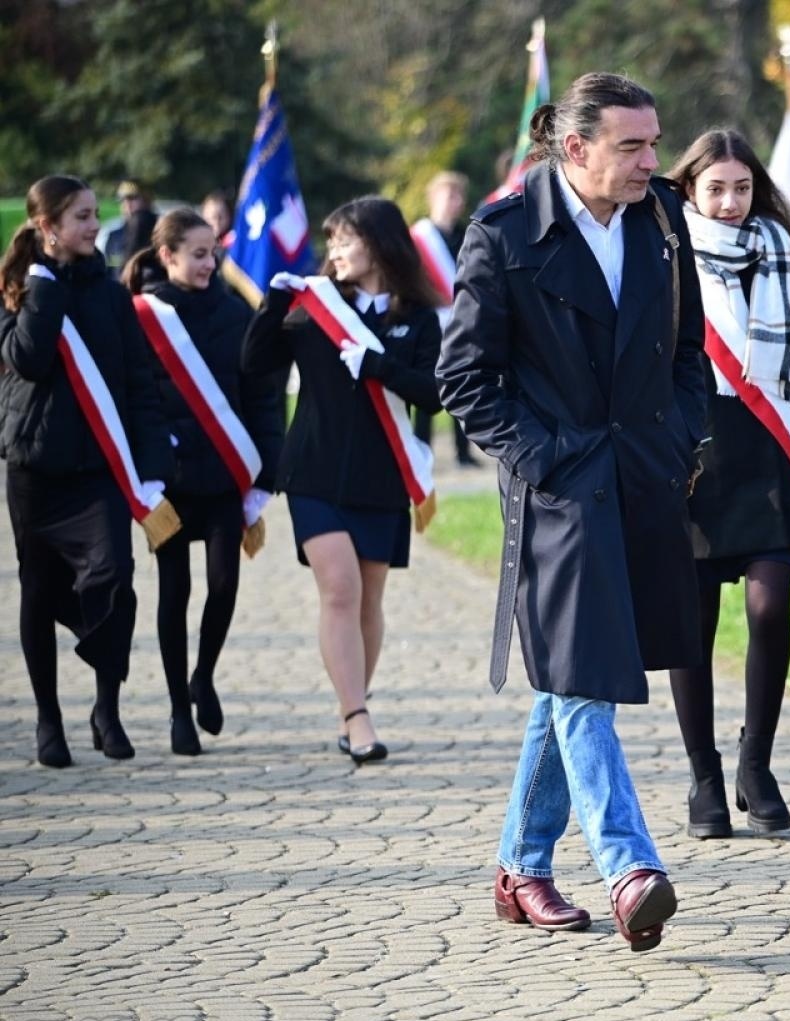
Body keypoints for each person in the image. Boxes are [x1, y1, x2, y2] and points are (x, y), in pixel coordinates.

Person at [437, 73, 707, 951]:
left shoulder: (663, 222)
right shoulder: (503, 234)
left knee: (568, 678)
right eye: (633, 146)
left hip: (644, 482)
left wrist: (677, 441)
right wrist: (549, 458)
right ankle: (630, 866)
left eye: (655, 142)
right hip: (559, 496)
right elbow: (464, 380)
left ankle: (520, 864)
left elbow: (691, 353)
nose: (652, 161)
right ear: (575, 147)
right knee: (586, 682)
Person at [662, 129, 790, 839]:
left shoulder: (781, 257)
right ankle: (703, 777)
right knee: (692, 629)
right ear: (689, 190)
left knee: (770, 609)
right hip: (693, 463)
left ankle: (755, 763)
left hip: (772, 461)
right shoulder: (665, 260)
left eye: (742, 187)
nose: (732, 202)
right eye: (717, 188)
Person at [241, 196, 444, 764]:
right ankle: (358, 718)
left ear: (377, 244)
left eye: (342, 240)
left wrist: (379, 365)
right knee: (340, 588)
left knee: (369, 598)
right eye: (330, 242)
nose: (333, 252)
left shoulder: (417, 318)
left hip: (382, 477)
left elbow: (434, 392)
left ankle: (350, 701)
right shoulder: (315, 308)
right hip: (313, 469)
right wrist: (271, 303)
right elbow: (255, 364)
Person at [0, 175, 175, 767]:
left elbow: (137, 382)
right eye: (80, 216)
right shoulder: (18, 286)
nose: (94, 225)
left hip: (99, 470)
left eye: (94, 214)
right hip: (35, 468)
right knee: (38, 589)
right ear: (48, 226)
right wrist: (43, 288)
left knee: (113, 580)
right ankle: (49, 722)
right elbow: (27, 358)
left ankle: (107, 707)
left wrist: (152, 467)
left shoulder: (108, 292)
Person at [123, 209, 283, 755]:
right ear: (166, 256)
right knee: (174, 593)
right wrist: (148, 467)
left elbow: (260, 391)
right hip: (168, 482)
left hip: (222, 477)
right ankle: (176, 712)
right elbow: (134, 400)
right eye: (196, 253)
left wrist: (266, 471)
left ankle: (203, 676)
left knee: (223, 586)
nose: (209, 262)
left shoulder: (234, 313)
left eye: (213, 252)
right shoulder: (141, 316)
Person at [409, 171, 479, 468]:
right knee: (427, 387)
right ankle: (422, 450)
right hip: (429, 320)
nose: (455, 202)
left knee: (462, 383)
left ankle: (463, 451)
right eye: (449, 195)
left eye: (459, 196)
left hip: (460, 320)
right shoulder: (419, 238)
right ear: (434, 198)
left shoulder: (468, 234)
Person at [104, 180, 158, 272]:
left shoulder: (160, 232)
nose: (126, 204)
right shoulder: (115, 236)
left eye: (132, 198)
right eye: (122, 200)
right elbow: (111, 271)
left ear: (146, 200)